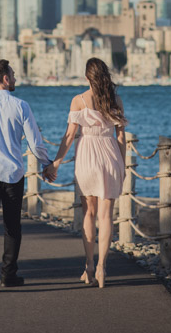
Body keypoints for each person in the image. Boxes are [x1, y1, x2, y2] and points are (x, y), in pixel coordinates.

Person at [0, 58, 54, 292]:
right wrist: (48, 163)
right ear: (5, 78)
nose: (15, 78)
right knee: (13, 225)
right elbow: (35, 142)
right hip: (13, 173)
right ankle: (9, 274)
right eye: (12, 75)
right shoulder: (21, 105)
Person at [44, 57, 127, 288]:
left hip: (87, 156)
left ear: (86, 78)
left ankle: (89, 265)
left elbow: (69, 136)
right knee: (106, 215)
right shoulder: (116, 99)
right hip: (110, 155)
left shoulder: (79, 100)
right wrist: (123, 165)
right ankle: (102, 267)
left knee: (88, 213)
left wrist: (56, 163)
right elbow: (121, 136)